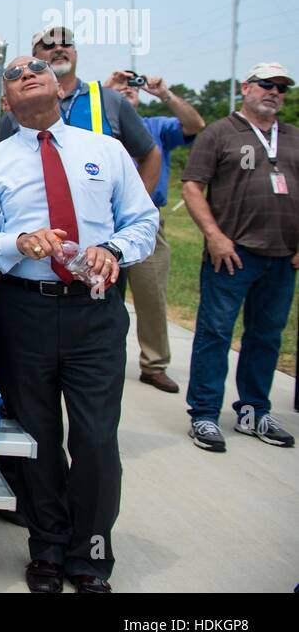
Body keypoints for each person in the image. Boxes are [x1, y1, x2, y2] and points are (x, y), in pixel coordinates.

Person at [0, 55, 158, 593]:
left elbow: (143, 221)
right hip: (23, 309)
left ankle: (91, 551)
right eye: (16, 73)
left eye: (40, 68)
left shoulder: (106, 151)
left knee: (95, 437)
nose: (29, 71)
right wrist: (17, 243)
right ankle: (47, 547)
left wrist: (113, 248)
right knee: (38, 436)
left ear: (58, 88)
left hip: (94, 310)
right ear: (6, 102)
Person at [182, 63, 297, 451]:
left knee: (266, 336)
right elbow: (193, 187)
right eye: (266, 85)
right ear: (246, 88)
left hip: (282, 256)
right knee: (215, 333)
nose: (274, 93)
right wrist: (214, 236)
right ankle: (204, 414)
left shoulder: (294, 137)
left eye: (281, 88)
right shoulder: (219, 133)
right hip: (232, 254)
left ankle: (253, 412)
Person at [106, 69, 205, 393]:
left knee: (151, 295)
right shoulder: (101, 124)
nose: (128, 90)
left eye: (132, 87)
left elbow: (195, 126)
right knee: (103, 295)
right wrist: (106, 91)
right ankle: (104, 357)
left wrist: (164, 94)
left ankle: (154, 363)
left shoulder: (155, 126)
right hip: (104, 221)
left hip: (147, 219)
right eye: (122, 86)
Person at [2, 26, 160, 196]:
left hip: (101, 216)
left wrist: (135, 208)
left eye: (66, 44)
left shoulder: (110, 100)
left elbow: (150, 155)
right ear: (34, 60)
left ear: (75, 53)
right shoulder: (18, 109)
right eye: (48, 46)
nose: (59, 49)